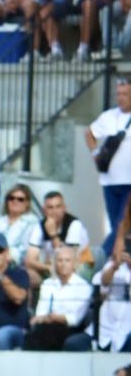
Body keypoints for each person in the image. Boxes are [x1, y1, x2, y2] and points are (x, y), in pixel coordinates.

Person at [87, 77, 131, 255]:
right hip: (109, 181)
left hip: (129, 182)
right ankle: (117, 261)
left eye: (125, 94)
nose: (121, 98)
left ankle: (97, 258)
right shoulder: (109, 116)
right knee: (117, 227)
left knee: (121, 225)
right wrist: (95, 153)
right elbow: (89, 133)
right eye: (118, 94)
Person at [22, 245, 92, 352]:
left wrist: (53, 317)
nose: (63, 264)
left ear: (74, 264)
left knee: (46, 334)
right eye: (60, 260)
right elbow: (40, 313)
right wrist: (48, 318)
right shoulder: (47, 284)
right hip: (46, 326)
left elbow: (75, 319)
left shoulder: (83, 286)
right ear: (55, 264)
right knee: (35, 333)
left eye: (67, 260)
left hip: (70, 329)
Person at [24, 189, 91, 289]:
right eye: (50, 207)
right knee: (27, 275)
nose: (54, 211)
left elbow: (68, 260)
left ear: (64, 208)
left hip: (79, 266)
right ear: (44, 210)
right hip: (53, 267)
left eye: (58, 207)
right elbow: (29, 260)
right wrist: (48, 267)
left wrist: (53, 235)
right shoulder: (40, 226)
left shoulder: (74, 224)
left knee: (66, 271)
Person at [0, 182, 38, 265]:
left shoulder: (33, 223)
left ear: (27, 203)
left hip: (15, 264)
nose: (15, 201)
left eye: (20, 199)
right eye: (11, 198)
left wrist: (2, 256)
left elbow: (25, 250)